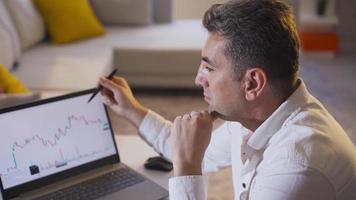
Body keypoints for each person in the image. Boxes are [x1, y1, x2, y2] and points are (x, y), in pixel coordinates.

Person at [98, 0, 356, 199]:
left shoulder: (296, 168)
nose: (198, 79)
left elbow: (187, 156)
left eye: (209, 68)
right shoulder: (251, 116)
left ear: (252, 83)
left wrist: (188, 167)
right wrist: (131, 109)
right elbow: (183, 145)